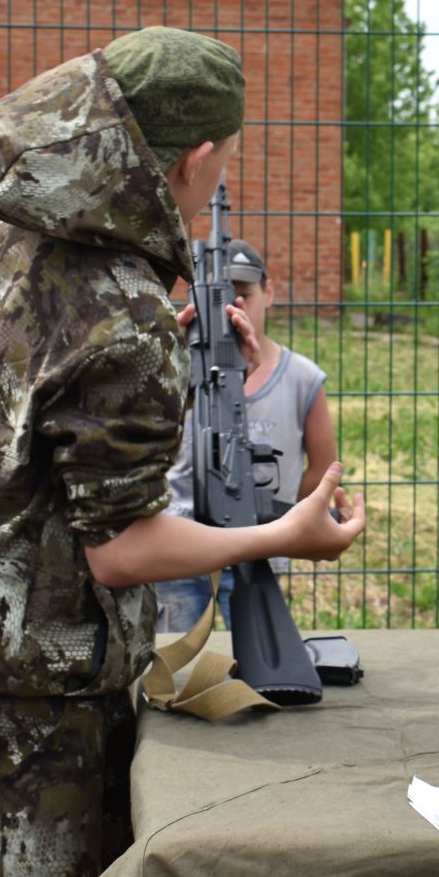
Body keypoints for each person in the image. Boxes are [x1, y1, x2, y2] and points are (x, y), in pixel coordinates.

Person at [0, 26, 365, 877]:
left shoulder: (17, 240)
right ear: (193, 159)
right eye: (222, 157)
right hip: (28, 703)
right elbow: (123, 545)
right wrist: (278, 532)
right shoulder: (121, 305)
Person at [154, 238, 337, 633]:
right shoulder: (177, 373)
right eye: (221, 300)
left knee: (263, 666)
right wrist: (170, 369)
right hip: (181, 547)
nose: (233, 309)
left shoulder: (302, 378)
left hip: (260, 548)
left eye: (244, 296)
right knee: (178, 673)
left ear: (269, 293)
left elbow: (322, 471)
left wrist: (266, 510)